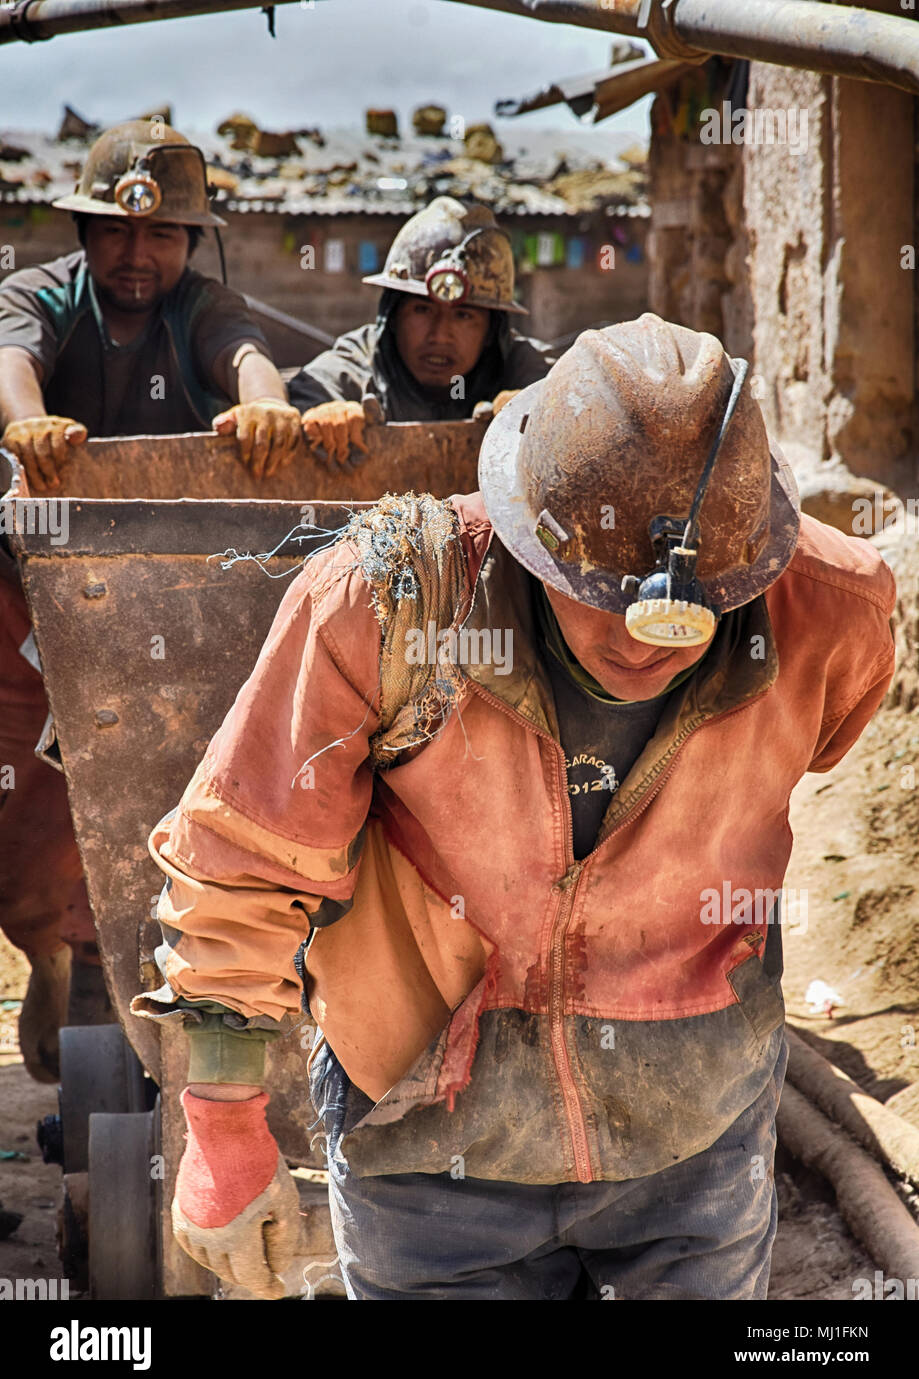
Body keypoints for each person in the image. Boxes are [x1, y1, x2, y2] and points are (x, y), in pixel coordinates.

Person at [133, 315, 896, 1300]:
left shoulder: (829, 615)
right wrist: (228, 1125)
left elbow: (822, 738)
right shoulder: (388, 605)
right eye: (601, 592)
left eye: (685, 608)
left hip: (692, 1150)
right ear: (530, 537)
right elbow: (247, 855)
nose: (641, 635)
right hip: (430, 1158)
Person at [0, 120, 302, 1081]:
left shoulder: (205, 308)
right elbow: (13, 361)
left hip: (161, 610)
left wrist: (267, 407)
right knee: (28, 810)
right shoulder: (38, 294)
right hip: (28, 602)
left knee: (178, 780)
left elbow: (246, 354)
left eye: (163, 236)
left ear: (189, 244)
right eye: (119, 234)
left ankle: (114, 957)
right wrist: (29, 424)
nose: (139, 254)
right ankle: (50, 949)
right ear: (86, 234)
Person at [287, 196, 555, 468]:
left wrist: (539, 405)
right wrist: (321, 417)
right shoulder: (359, 363)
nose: (439, 335)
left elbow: (579, 401)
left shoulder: (524, 364)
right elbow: (301, 401)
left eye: (463, 315)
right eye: (422, 311)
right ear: (392, 317)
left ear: (491, 332)